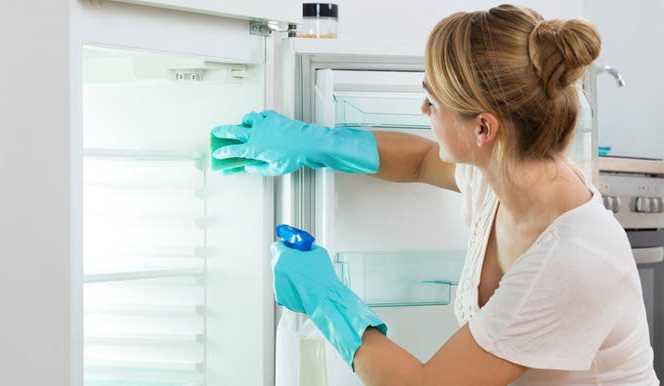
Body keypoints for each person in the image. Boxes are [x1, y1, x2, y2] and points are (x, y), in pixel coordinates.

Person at [212, 4, 658, 385]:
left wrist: (324, 298)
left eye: (434, 101)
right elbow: (422, 160)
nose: (423, 111)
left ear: (483, 128)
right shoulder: (507, 172)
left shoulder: (572, 258)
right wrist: (317, 143)